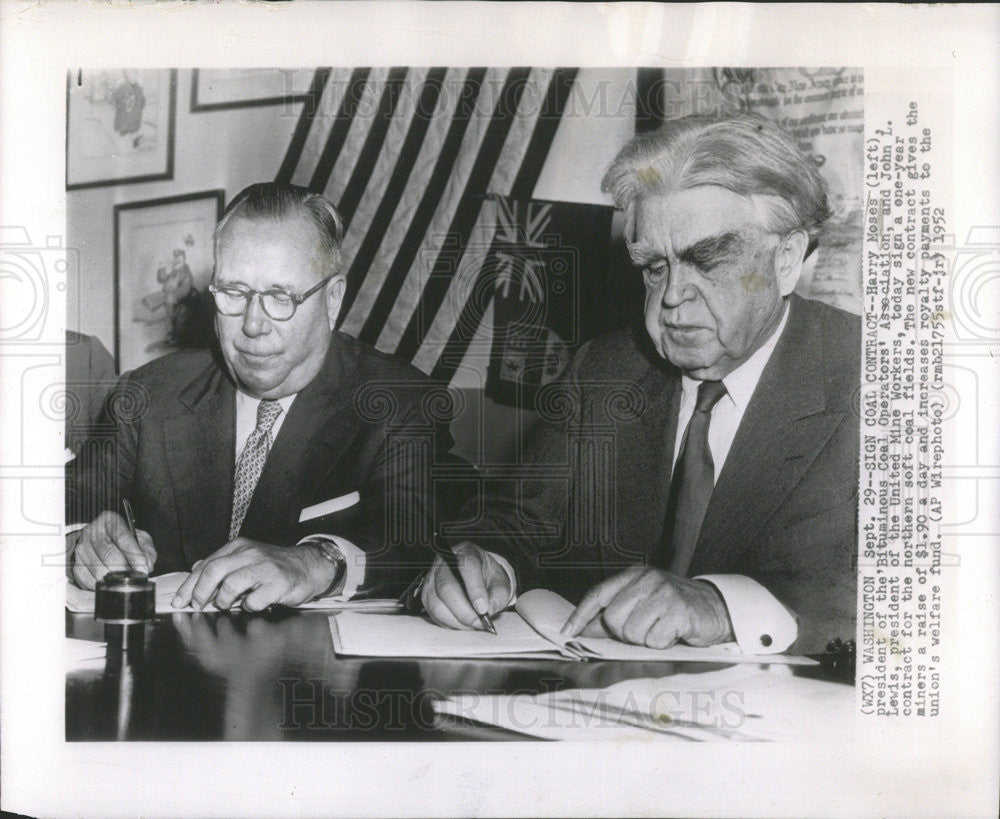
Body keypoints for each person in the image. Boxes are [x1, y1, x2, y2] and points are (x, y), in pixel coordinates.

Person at [424, 113, 859, 655]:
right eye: (655, 267)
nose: (673, 295)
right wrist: (483, 564)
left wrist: (723, 606)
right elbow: (518, 522)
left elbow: (924, 599)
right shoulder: (605, 370)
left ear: (787, 258)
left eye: (708, 259)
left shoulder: (876, 382)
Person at [67, 182, 453, 610]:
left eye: (280, 297)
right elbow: (69, 505)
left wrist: (315, 562)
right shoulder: (147, 395)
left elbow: (415, 539)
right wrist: (80, 542)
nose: (253, 324)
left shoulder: (399, 402)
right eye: (233, 293)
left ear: (332, 299)